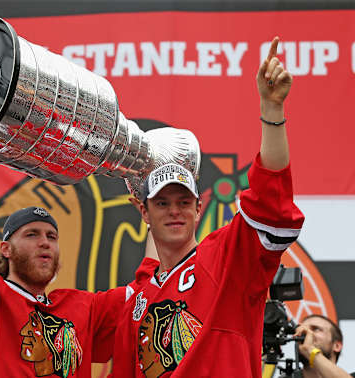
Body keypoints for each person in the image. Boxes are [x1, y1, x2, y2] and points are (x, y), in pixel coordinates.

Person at [111, 36, 305, 378]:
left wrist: (272, 111)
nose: (175, 211)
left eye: (184, 202)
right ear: (144, 212)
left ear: (199, 209)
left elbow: (270, 204)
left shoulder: (228, 261)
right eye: (163, 203)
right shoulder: (136, 303)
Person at [0, 135, 127, 377]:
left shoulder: (84, 308)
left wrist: (150, 214)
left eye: (51, 237)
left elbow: (149, 291)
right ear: (6, 249)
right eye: (32, 235)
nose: (44, 243)